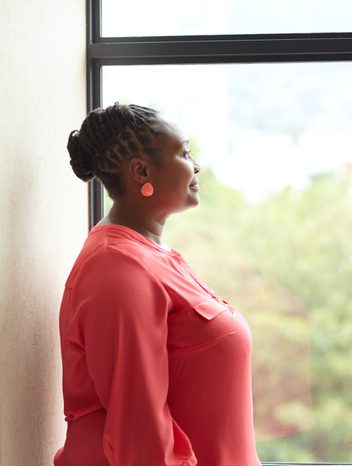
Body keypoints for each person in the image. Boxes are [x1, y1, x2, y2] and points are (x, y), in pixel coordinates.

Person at [54, 103, 261, 466]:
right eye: (183, 152)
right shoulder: (117, 268)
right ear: (141, 171)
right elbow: (141, 432)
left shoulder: (150, 255)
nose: (195, 165)